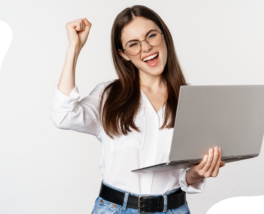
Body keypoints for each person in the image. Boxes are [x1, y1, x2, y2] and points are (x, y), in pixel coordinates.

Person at [50, 5, 225, 214]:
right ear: (123, 54)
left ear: (164, 36)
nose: (146, 48)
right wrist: (74, 49)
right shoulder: (107, 96)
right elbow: (63, 116)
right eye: (133, 44)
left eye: (151, 36)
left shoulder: (191, 102)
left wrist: (197, 173)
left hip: (173, 209)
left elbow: (184, 176)